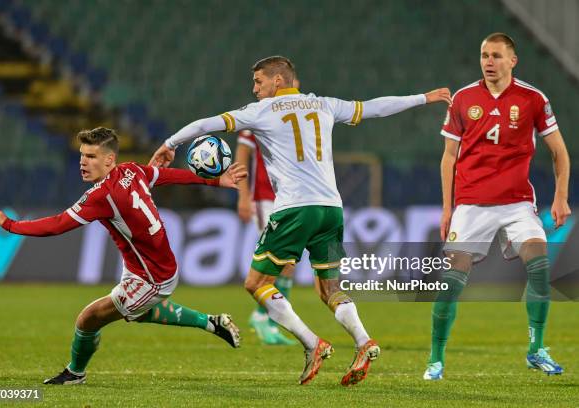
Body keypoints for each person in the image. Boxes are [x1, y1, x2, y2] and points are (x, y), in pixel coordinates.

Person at [149, 56, 451, 386]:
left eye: (259, 82)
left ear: (278, 80)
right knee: (330, 290)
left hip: (294, 208)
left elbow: (206, 124)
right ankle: (364, 341)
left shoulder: (260, 112)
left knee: (256, 283)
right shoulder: (324, 104)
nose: (255, 89)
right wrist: (424, 98)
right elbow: (375, 108)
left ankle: (312, 343)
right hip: (331, 209)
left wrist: (170, 143)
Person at [0, 127, 246, 385]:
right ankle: (212, 322)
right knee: (139, 312)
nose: (83, 162)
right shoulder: (131, 170)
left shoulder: (101, 196)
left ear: (109, 159)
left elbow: (57, 225)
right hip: (145, 268)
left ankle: (75, 373)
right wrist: (214, 180)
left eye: (91, 156)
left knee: (87, 319)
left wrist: (8, 224)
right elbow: (165, 175)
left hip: (150, 278)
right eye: (82, 156)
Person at [424, 33, 571, 380]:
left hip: (517, 204)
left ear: (512, 61)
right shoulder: (463, 99)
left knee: (539, 267)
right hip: (471, 205)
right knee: (452, 282)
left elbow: (560, 152)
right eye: (484, 56)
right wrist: (448, 208)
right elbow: (449, 157)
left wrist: (560, 196)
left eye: (496, 56)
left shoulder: (533, 99)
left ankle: (536, 350)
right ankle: (436, 359)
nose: (489, 62)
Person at [236, 129, 295, 346]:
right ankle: (264, 318)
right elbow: (241, 158)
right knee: (280, 261)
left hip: (290, 197)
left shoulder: (291, 114)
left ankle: (266, 318)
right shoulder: (254, 119)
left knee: (289, 263)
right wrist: (243, 196)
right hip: (264, 199)